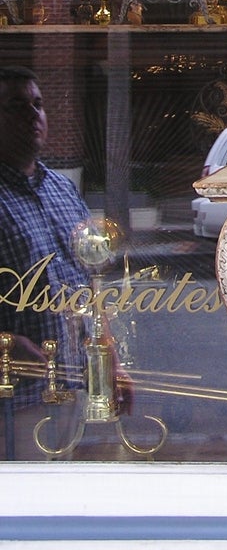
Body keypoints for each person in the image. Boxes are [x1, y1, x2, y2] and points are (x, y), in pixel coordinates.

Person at [0, 65, 128, 457]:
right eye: (17, 107)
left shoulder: (63, 190)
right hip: (14, 401)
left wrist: (112, 363)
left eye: (37, 105)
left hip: (69, 391)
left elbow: (89, 285)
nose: (33, 116)